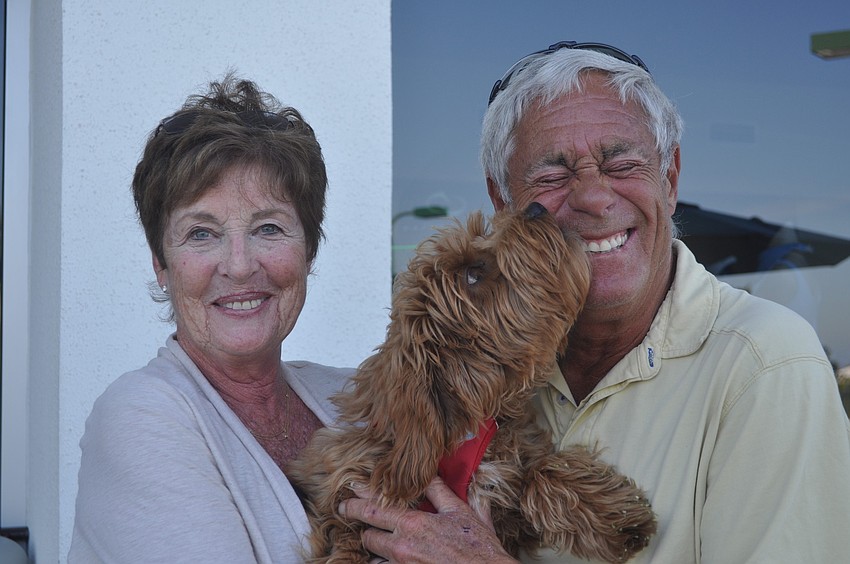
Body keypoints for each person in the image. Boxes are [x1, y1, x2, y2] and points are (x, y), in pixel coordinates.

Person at [340, 41, 850, 562]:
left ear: (669, 180)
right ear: (502, 203)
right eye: (553, 175)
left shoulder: (766, 364)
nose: (593, 196)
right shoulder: (486, 371)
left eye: (621, 163)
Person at [69, 75, 354, 563]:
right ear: (162, 264)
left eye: (268, 228)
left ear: (309, 251)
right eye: (202, 234)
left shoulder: (354, 398)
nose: (240, 264)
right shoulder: (138, 417)